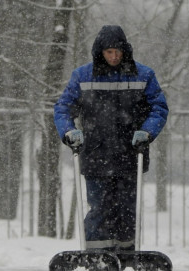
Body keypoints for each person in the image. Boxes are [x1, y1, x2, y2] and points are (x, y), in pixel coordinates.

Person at [54, 25, 168, 251]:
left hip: (130, 153)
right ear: (100, 52)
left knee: (127, 208)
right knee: (100, 207)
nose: (114, 56)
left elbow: (158, 107)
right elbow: (63, 108)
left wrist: (147, 131)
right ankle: (97, 254)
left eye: (118, 51)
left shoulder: (144, 75)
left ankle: (126, 254)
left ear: (125, 50)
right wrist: (68, 131)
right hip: (96, 154)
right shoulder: (82, 76)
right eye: (109, 52)